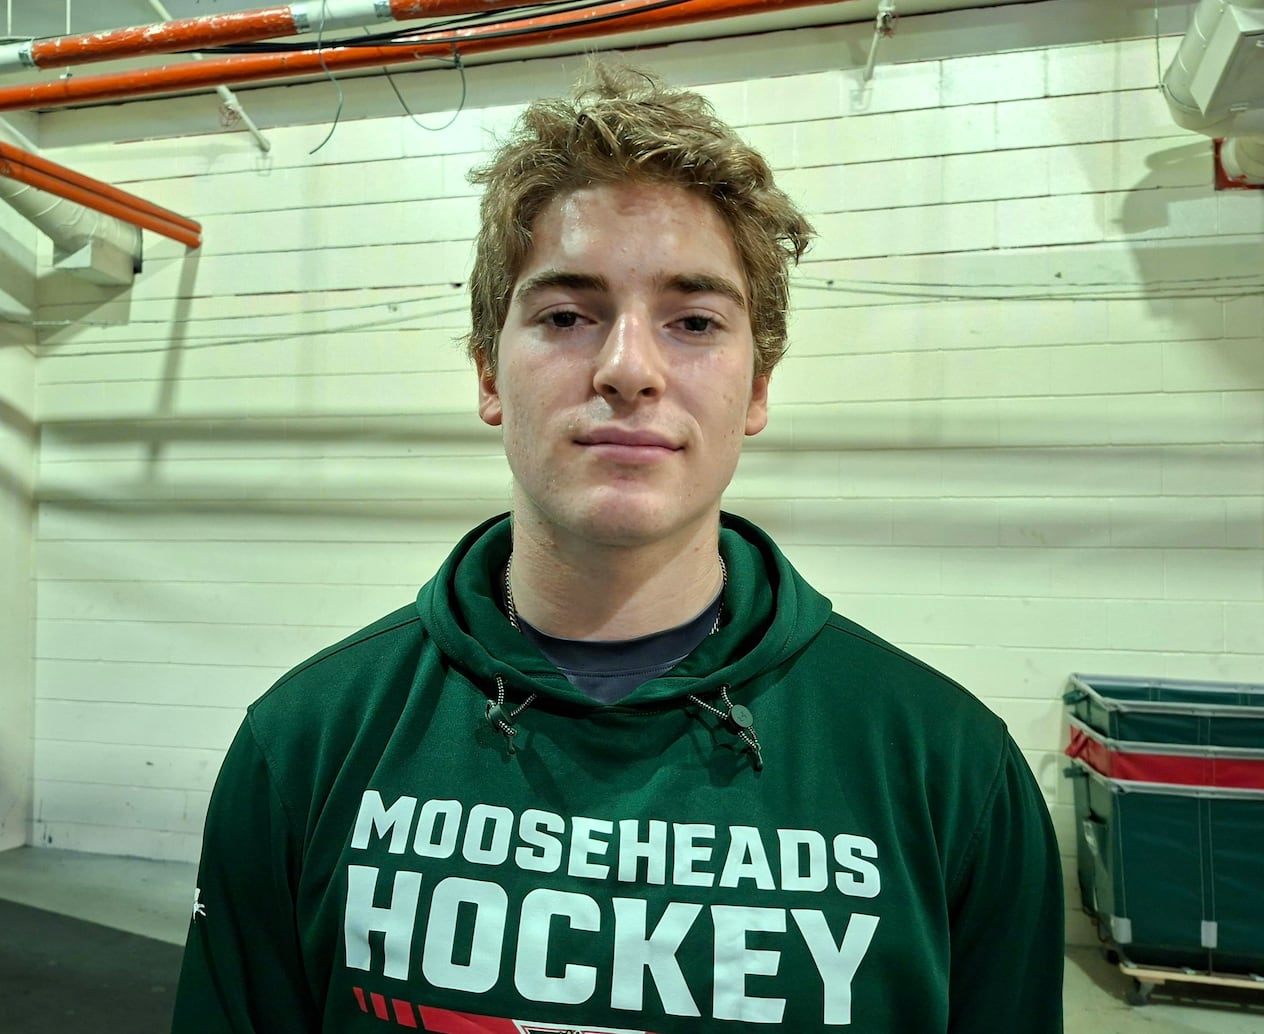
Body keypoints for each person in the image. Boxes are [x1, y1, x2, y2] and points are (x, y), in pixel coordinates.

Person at [171, 64, 1064, 1033]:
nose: (626, 368)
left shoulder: (947, 770)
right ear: (487, 371)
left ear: (755, 386)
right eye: (564, 315)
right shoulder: (304, 742)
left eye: (691, 321)